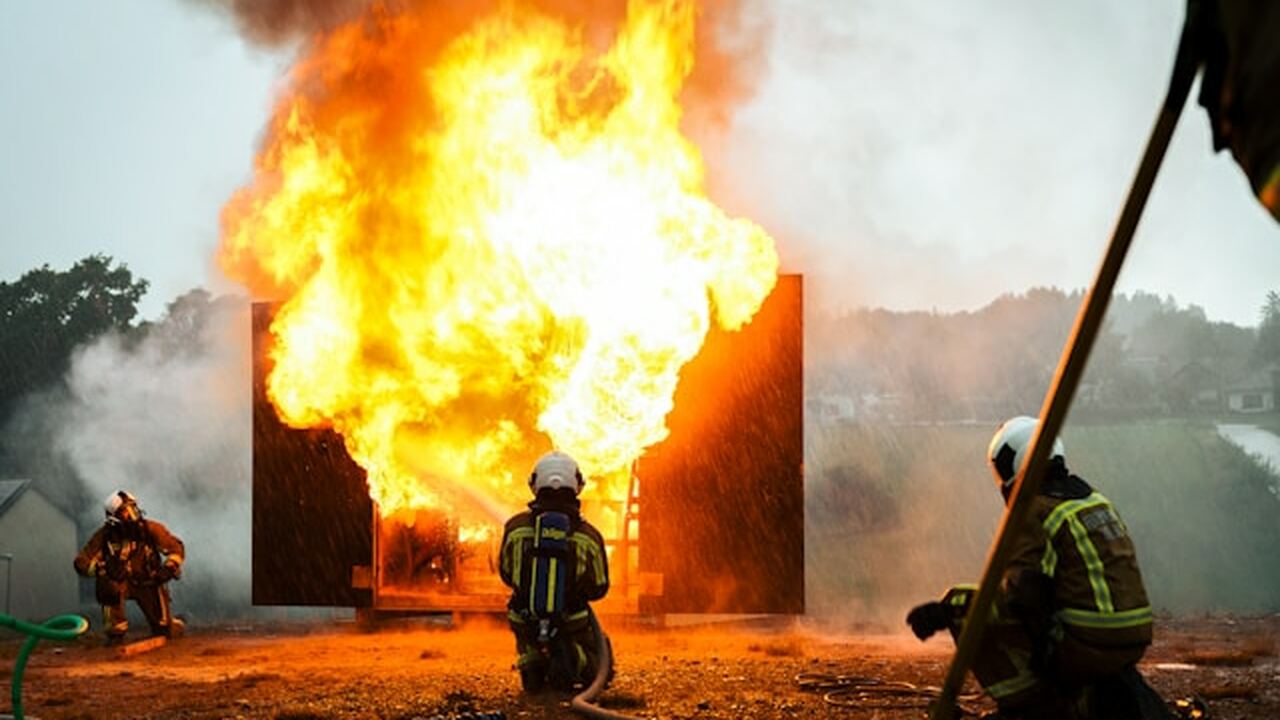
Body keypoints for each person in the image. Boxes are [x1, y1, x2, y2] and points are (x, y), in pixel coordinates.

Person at [906, 416, 1166, 720]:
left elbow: (1022, 593)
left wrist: (942, 613)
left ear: (1014, 463)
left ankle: (1033, 705)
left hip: (1086, 646)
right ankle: (1086, 696)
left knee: (961, 602)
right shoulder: (1094, 501)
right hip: (1132, 640)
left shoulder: (1034, 509)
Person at [499, 450, 610, 692]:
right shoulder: (588, 535)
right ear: (576, 486)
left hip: (524, 616)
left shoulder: (515, 528)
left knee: (524, 631)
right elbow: (599, 587)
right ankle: (575, 660)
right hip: (572, 620)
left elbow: (506, 573)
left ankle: (532, 664)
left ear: (535, 485)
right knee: (602, 659)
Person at [74, 490, 185, 645]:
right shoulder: (105, 536)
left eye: (133, 508)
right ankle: (115, 632)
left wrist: (169, 567)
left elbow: (176, 548)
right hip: (121, 583)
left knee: (164, 631)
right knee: (107, 583)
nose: (132, 515)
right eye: (126, 511)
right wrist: (101, 569)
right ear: (113, 517)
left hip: (148, 581)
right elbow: (81, 562)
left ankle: (170, 625)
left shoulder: (150, 529)